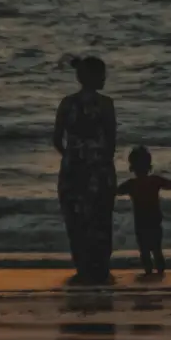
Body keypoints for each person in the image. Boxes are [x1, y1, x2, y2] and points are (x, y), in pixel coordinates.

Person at [52, 56, 117, 285]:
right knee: (101, 219)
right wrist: (99, 158)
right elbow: (111, 140)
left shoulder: (67, 103)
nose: (105, 78)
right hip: (100, 168)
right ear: (91, 76)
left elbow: (57, 139)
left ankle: (82, 270)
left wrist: (73, 155)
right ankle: (102, 270)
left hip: (73, 167)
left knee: (76, 220)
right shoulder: (106, 104)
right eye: (102, 74)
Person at [117, 145, 171, 276]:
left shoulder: (131, 184)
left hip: (141, 223)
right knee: (157, 250)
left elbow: (113, 191)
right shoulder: (154, 181)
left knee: (145, 252)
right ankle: (160, 274)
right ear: (149, 166)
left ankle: (149, 273)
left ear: (131, 167)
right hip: (154, 222)